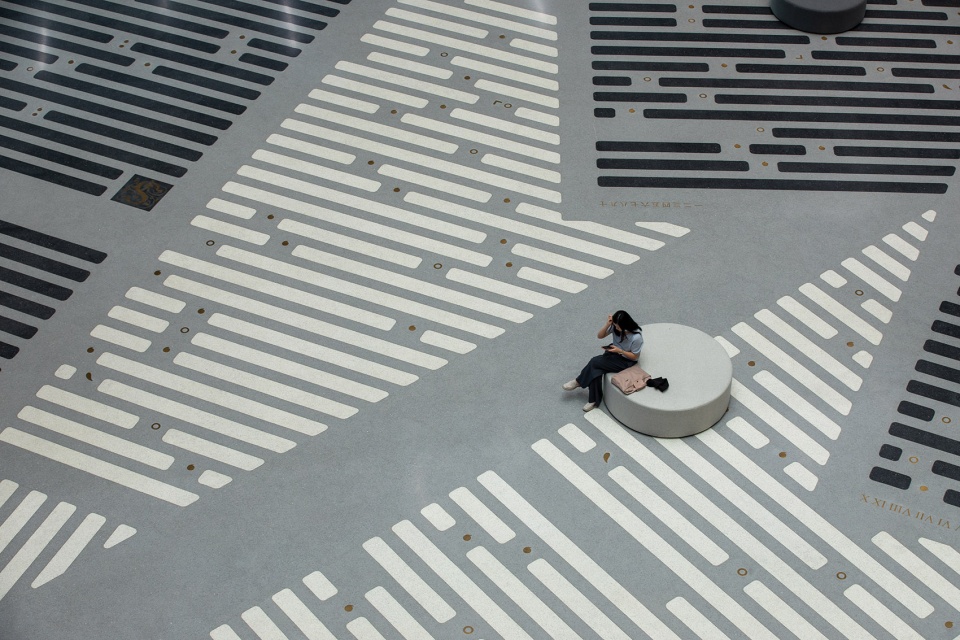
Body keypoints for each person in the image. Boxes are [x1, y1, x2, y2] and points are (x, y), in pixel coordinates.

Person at [562, 310, 643, 412]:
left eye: (618, 326)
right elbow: (600, 336)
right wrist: (607, 324)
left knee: (594, 362)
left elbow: (635, 357)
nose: (616, 328)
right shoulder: (615, 328)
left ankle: (579, 381)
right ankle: (593, 400)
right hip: (613, 353)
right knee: (596, 370)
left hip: (625, 361)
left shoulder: (636, 337)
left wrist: (620, 351)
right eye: (615, 325)